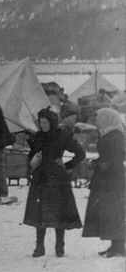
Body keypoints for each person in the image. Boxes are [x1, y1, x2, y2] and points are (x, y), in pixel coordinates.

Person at [22, 108, 84, 257]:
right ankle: (39, 247)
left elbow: (80, 153)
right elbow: (31, 157)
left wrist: (67, 165)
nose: (43, 125)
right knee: (39, 212)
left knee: (59, 212)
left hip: (57, 178)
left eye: (46, 122)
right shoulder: (37, 137)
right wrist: (30, 168)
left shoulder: (62, 136)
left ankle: (59, 247)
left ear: (52, 122)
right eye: (41, 122)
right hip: (40, 178)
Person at [83, 108, 125, 258]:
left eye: (100, 119)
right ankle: (115, 245)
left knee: (115, 211)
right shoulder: (108, 134)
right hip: (106, 178)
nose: (97, 122)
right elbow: (106, 156)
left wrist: (103, 164)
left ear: (108, 119)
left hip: (114, 179)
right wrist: (97, 162)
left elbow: (118, 157)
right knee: (109, 211)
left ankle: (119, 247)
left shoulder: (117, 136)